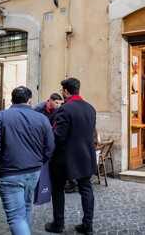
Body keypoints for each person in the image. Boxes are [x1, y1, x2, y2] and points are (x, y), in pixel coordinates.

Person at [0, 86, 55, 235]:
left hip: (9, 173)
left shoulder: (0, 117)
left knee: (16, 217)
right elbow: (50, 147)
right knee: (26, 208)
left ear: (11, 100)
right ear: (29, 100)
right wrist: (40, 162)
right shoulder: (41, 118)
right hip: (33, 171)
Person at [45, 78, 97, 235]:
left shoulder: (65, 109)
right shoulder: (90, 108)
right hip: (86, 156)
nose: (62, 93)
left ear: (66, 91)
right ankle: (88, 225)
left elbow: (59, 136)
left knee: (58, 190)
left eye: (62, 90)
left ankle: (58, 224)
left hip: (64, 158)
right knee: (86, 189)